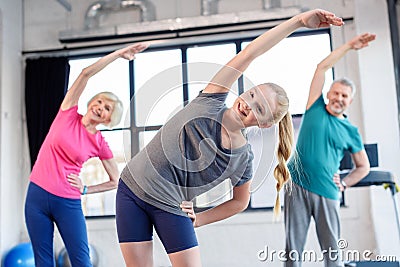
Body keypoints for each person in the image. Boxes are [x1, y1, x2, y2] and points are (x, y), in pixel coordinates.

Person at [115, 9, 344, 267]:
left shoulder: (242, 159)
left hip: (169, 204)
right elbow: (250, 53)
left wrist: (200, 218)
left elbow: (240, 201)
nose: (249, 104)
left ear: (265, 124)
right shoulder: (210, 101)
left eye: (259, 109)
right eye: (253, 95)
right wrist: (298, 22)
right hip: (131, 188)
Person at [24, 43, 148, 267]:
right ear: (92, 102)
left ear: (109, 120)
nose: (101, 107)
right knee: (43, 261)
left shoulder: (100, 143)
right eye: (100, 101)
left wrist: (85, 189)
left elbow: (115, 181)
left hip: (67, 202)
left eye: (107, 108)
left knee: (81, 261)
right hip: (36, 196)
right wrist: (119, 54)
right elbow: (85, 73)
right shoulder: (68, 112)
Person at [284, 33, 375, 267]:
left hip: (327, 192)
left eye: (344, 96)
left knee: (332, 252)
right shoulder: (315, 108)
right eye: (335, 93)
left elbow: (363, 166)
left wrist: (344, 183)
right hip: (296, 186)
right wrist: (348, 46)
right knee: (293, 250)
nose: (339, 98)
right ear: (328, 94)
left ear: (350, 101)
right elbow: (321, 67)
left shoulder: (351, 131)